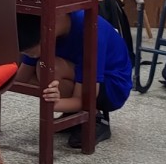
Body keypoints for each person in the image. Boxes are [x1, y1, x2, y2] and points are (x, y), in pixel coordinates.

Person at [16, 7, 133, 146]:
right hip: (78, 74)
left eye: (29, 52)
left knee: (49, 66)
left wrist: (55, 104)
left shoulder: (90, 31)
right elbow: (21, 79)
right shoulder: (41, 31)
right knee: (42, 67)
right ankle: (73, 113)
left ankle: (95, 117)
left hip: (111, 87)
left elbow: (83, 98)